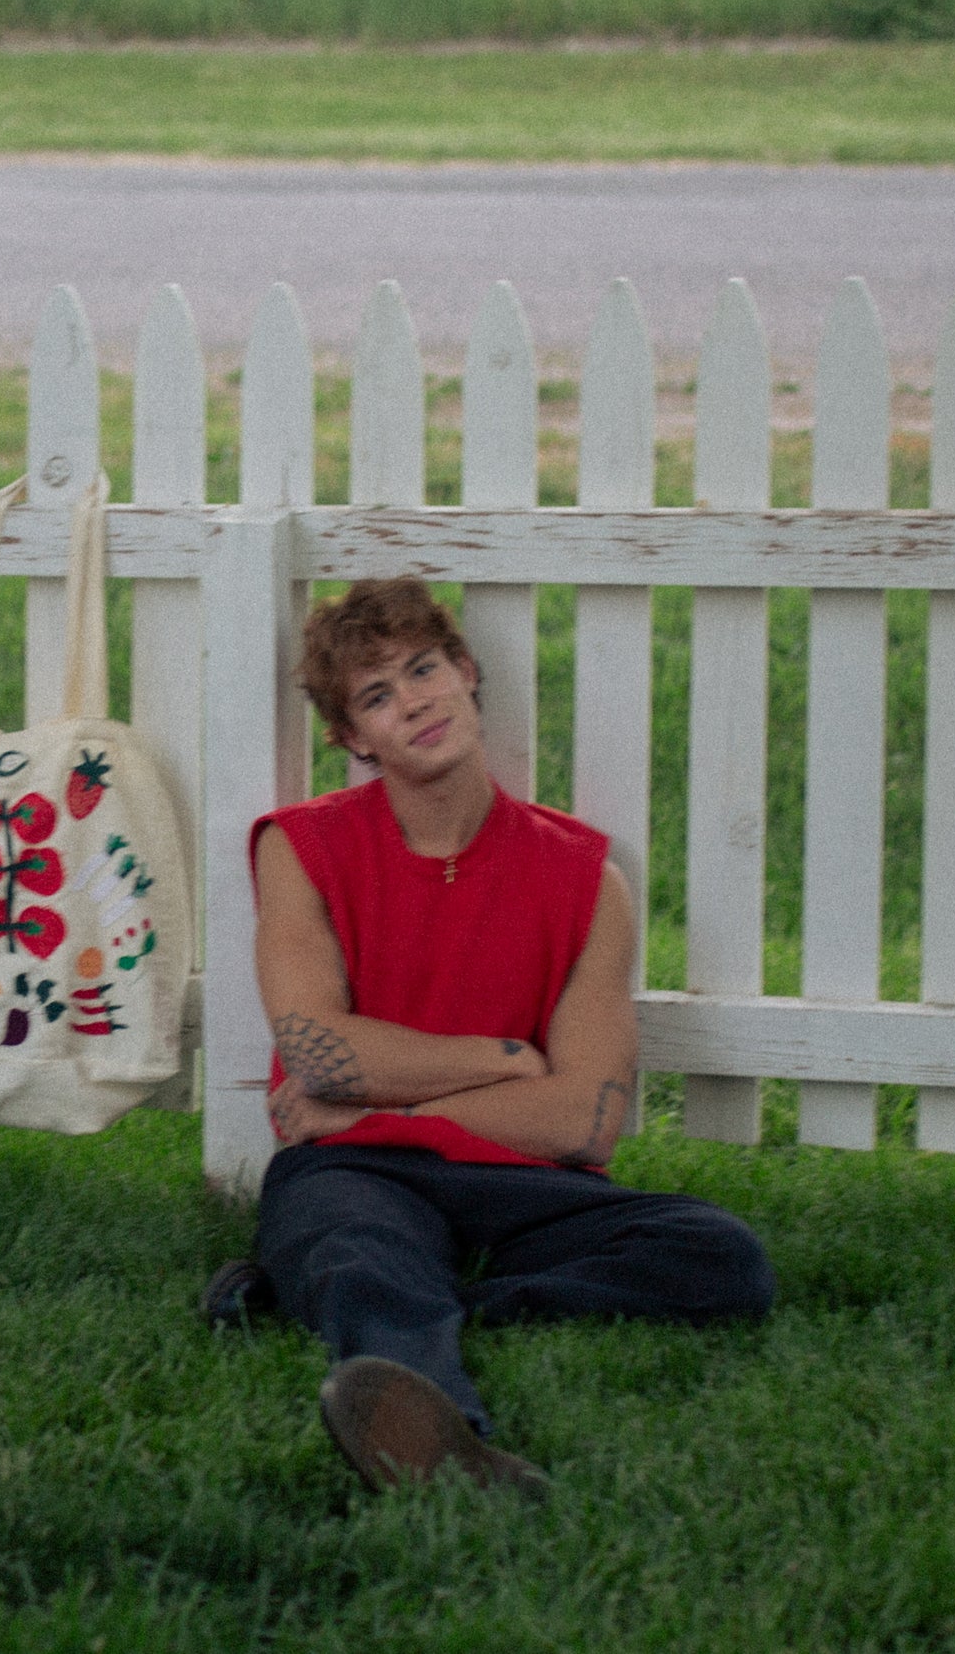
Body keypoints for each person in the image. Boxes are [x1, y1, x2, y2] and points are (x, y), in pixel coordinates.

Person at [203, 577, 775, 1498]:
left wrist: (375, 1105)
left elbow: (584, 1122)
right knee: (357, 1248)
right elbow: (315, 1049)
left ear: (466, 673)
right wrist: (499, 1058)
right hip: (357, 1175)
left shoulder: (584, 874)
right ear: (353, 739)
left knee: (718, 1254)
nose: (415, 701)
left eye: (424, 669)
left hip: (501, 1172)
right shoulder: (300, 846)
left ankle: (356, 1299)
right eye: (377, 695)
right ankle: (447, 1444)